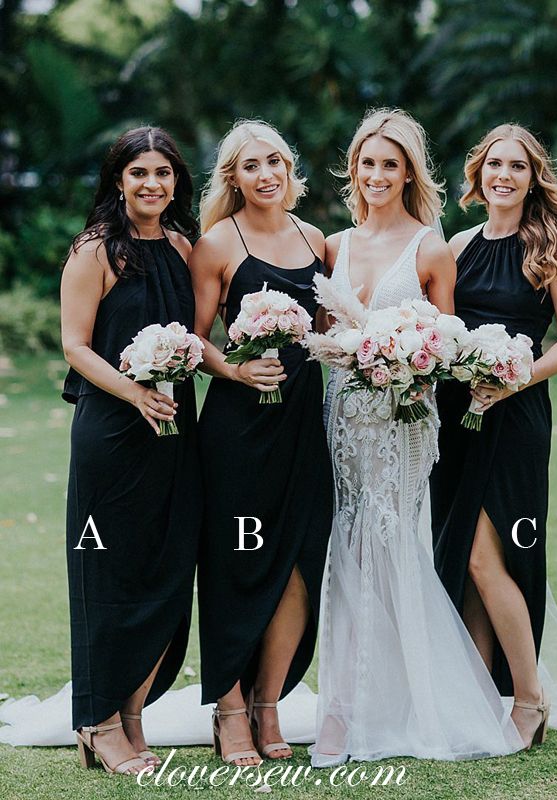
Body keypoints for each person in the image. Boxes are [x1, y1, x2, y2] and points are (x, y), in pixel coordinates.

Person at [311, 108, 523, 766]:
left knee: (394, 544)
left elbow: (445, 345)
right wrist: (352, 355)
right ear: (355, 169)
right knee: (344, 546)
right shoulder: (333, 246)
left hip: (404, 421)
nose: (377, 175)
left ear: (408, 172)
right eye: (367, 163)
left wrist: (403, 367)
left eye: (390, 165)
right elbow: (324, 337)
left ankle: (415, 705)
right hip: (343, 416)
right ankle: (343, 711)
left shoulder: (430, 247)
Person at [430, 124, 557, 750]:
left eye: (517, 167)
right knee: (468, 562)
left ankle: (530, 698)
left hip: (515, 417)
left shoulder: (550, 246)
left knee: (485, 555)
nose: (503, 175)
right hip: (457, 415)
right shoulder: (459, 242)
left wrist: (516, 377)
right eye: (494, 164)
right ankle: (479, 702)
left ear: (532, 178)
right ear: (478, 174)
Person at [189, 120, 333, 765]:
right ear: (233, 178)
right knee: (235, 561)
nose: (265, 174)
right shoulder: (217, 243)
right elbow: (194, 343)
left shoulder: (318, 241)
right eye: (250, 166)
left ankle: (269, 702)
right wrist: (239, 369)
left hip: (304, 421)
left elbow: (328, 330)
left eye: (274, 161)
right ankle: (228, 708)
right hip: (237, 429)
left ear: (288, 167)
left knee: (302, 558)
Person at [61, 127, 201, 775]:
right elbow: (75, 346)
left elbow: (202, 337)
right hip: (114, 434)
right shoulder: (95, 252)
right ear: (118, 180)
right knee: (109, 579)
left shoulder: (180, 245)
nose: (152, 184)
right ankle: (98, 721)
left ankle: (135, 717)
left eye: (164, 173)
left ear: (177, 182)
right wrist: (136, 393)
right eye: (139, 173)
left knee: (167, 574)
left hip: (176, 433)